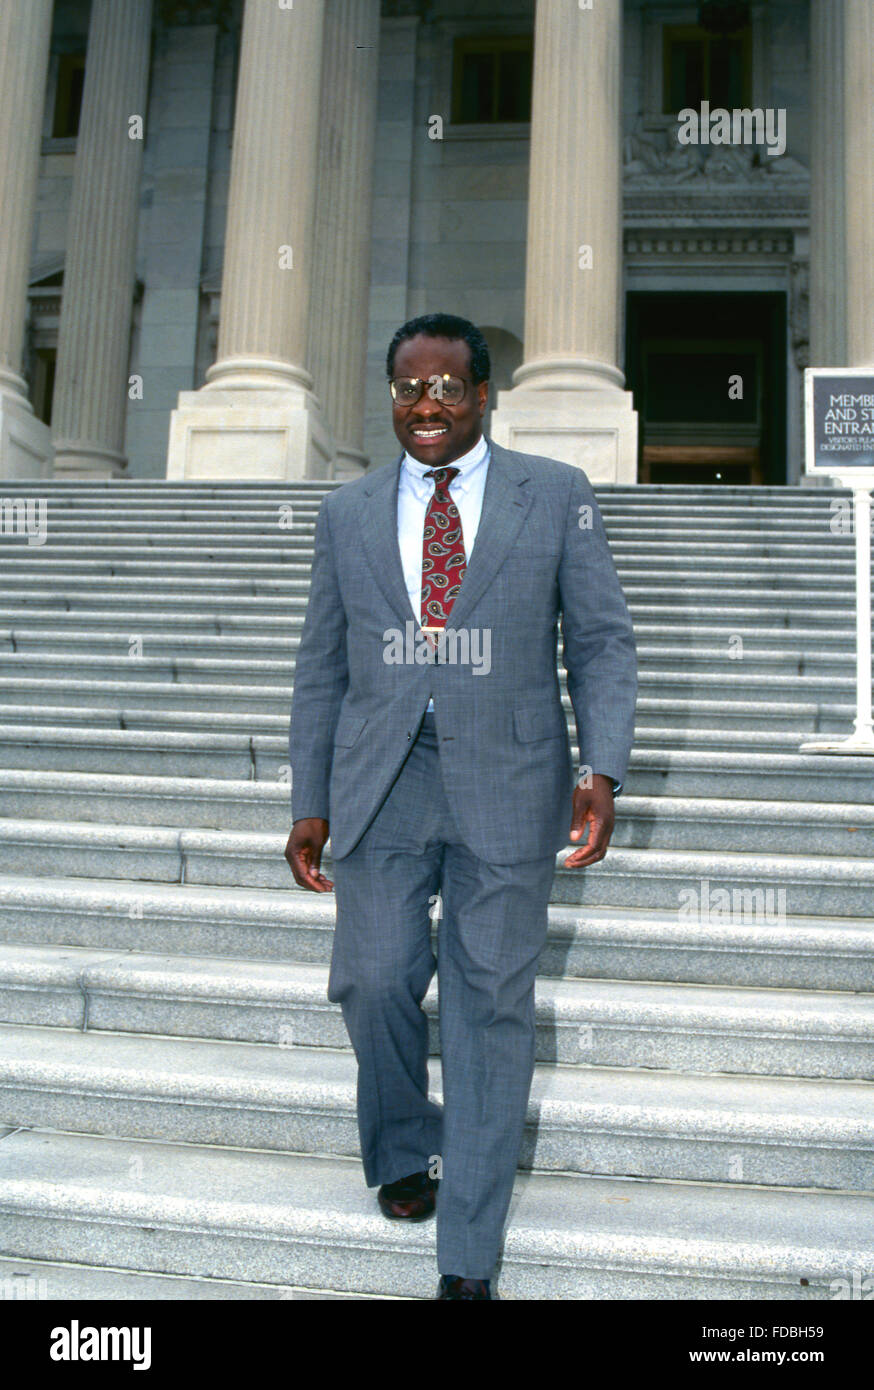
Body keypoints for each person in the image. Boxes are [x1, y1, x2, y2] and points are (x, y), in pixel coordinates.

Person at [285, 312, 637, 1300]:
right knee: (374, 977)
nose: (426, 404)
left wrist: (600, 769)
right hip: (380, 780)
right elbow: (320, 670)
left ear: (484, 395)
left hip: (511, 781)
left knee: (489, 1005)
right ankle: (404, 1139)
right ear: (391, 398)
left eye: (446, 386)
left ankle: (467, 1260)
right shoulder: (347, 512)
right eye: (408, 389)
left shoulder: (555, 496)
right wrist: (308, 796)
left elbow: (601, 643)